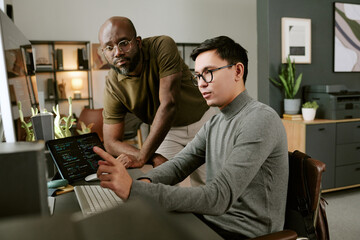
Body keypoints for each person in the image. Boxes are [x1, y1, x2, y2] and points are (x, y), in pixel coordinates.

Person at [94, 36, 289, 239]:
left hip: (242, 233)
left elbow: (218, 197)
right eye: (197, 76)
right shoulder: (215, 122)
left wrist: (135, 190)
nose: (201, 84)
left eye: (209, 73)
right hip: (212, 221)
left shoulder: (260, 119)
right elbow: (179, 166)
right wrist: (144, 181)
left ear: (238, 71)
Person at [98, 16, 213, 185]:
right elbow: (110, 141)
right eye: (109, 47)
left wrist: (143, 156)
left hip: (203, 122)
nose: (118, 52)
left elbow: (169, 104)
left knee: (209, 184)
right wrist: (151, 156)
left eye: (124, 43)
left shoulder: (162, 46)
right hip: (167, 131)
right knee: (164, 186)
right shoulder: (112, 86)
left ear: (138, 42)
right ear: (104, 52)